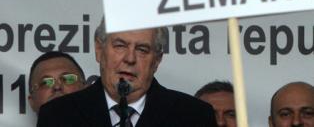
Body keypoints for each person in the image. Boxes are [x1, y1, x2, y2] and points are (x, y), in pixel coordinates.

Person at [36, 18, 216, 126]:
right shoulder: (57, 116)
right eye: (120, 46)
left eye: (142, 50)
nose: (130, 59)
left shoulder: (194, 116)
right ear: (99, 49)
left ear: (157, 60)